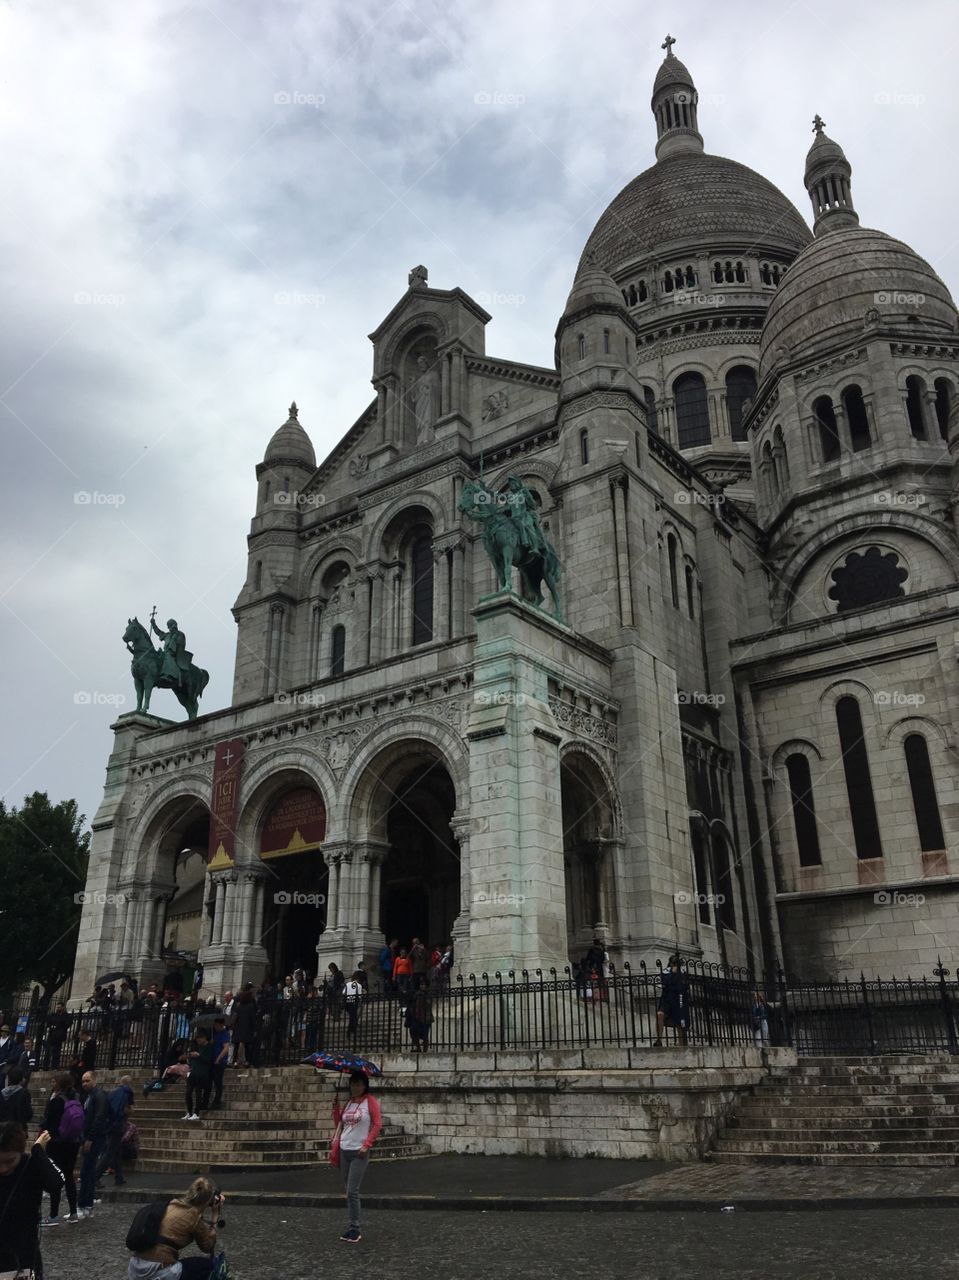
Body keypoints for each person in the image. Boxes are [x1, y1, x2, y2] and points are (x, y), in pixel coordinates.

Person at [127, 1175, 222, 1279]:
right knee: (207, 1266)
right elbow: (208, 1246)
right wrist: (215, 1214)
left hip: (135, 1268)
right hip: (156, 1272)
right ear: (208, 1200)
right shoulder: (194, 1217)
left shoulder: (171, 1204)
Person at [0, 1123, 64, 1278]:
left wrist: (38, 1150)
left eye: (9, 1161)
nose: (2, 1168)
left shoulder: (30, 1165)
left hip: (23, 1253)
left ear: (20, 1153)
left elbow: (55, 1183)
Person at [331, 1070, 381, 1244]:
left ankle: (355, 1228)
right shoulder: (349, 1103)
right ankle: (352, 1227)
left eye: (358, 1084)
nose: (355, 1087)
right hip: (345, 1148)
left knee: (353, 1190)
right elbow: (341, 1124)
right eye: (353, 1084)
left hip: (359, 1151)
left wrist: (367, 1144)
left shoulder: (371, 1102)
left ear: (365, 1085)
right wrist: (336, 1109)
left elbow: (377, 1124)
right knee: (348, 1190)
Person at [40, 1072, 83, 1225]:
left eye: (54, 1081)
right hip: (72, 1142)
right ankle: (73, 1212)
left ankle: (53, 1214)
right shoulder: (75, 1099)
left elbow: (49, 1123)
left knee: (56, 1176)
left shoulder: (56, 1101)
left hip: (57, 1143)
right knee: (69, 1176)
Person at [77, 1069, 109, 1218]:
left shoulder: (98, 1096)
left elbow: (99, 1117)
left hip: (94, 1139)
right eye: (83, 1081)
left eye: (87, 1081)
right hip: (89, 1137)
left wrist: (90, 1138)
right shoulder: (90, 1096)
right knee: (86, 1172)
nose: (84, 1084)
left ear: (95, 1081)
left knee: (87, 1172)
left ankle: (85, 1204)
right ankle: (85, 1204)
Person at [97, 1074, 134, 1186]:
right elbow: (128, 1109)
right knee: (109, 1152)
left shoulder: (113, 1092)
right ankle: (95, 1177)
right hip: (118, 1124)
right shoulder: (128, 1092)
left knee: (117, 1151)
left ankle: (119, 1177)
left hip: (110, 1123)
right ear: (129, 1083)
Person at [653, 955, 689, 1048]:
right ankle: (659, 1039)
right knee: (660, 1014)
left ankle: (681, 1043)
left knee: (679, 1020)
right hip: (667, 998)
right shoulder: (666, 972)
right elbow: (666, 983)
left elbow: (684, 985)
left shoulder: (682, 973)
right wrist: (673, 974)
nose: (674, 965)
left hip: (678, 998)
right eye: (673, 963)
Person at [183, 1030, 213, 1121]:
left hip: (202, 1073)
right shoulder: (198, 1047)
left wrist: (198, 1056)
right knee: (188, 1093)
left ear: (204, 1038)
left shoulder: (209, 1047)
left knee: (198, 1092)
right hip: (194, 1072)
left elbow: (208, 1060)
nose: (198, 1041)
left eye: (199, 1039)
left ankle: (196, 1112)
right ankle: (189, 1112)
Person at [0, 1066, 33, 1131]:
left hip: (2, 1129)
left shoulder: (1, 1093)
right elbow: (27, 1113)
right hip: (17, 1130)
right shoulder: (24, 1093)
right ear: (21, 1079)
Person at [231, 987, 257, 1068]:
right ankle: (247, 1061)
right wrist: (254, 1029)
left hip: (238, 1028)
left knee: (236, 1045)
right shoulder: (250, 1006)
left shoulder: (238, 1006)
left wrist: (233, 1025)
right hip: (247, 1028)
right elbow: (253, 1018)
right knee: (247, 1046)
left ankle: (235, 1061)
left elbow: (235, 1017)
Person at [210, 1018, 230, 1109]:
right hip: (212, 1059)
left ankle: (217, 1101)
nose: (215, 1027)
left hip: (220, 1061)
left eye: (217, 1025)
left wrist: (219, 1058)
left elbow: (226, 1048)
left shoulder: (225, 1034)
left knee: (218, 1081)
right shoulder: (214, 1034)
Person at [43, 1003, 70, 1070]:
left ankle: (54, 1066)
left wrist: (58, 1026)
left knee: (56, 1052)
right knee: (47, 1052)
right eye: (57, 1007)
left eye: (59, 1007)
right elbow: (48, 1023)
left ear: (63, 1007)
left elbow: (67, 1024)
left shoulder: (66, 1016)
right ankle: (45, 1067)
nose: (58, 1009)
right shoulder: (53, 1015)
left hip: (59, 1037)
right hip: (51, 1036)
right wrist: (52, 1027)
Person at [343, 973, 364, 1037]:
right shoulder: (359, 985)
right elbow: (359, 996)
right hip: (354, 1003)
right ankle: (351, 1031)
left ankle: (351, 1030)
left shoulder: (347, 984)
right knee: (353, 1017)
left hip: (347, 1002)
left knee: (352, 1017)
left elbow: (343, 992)